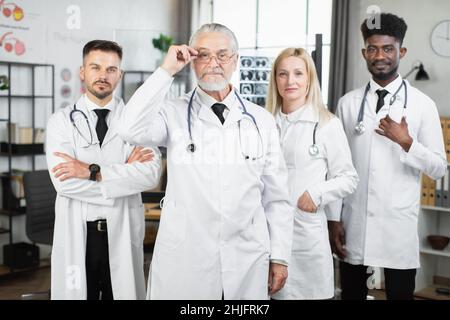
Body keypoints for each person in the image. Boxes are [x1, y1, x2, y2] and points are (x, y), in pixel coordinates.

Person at [118, 23, 293, 300]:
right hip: (187, 259)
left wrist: (280, 256)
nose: (213, 63)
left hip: (246, 257)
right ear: (190, 61)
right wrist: (166, 71)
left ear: (235, 60)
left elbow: (277, 197)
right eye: (203, 55)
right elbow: (128, 129)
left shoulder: (261, 121)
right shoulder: (171, 112)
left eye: (222, 55)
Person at [328, 13, 447, 300]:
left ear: (401, 52)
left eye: (388, 48)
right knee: (351, 295)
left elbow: (439, 168)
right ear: (364, 53)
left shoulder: (422, 105)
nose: (379, 55)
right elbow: (335, 167)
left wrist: (408, 143)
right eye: (372, 48)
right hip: (354, 221)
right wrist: (333, 219)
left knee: (400, 295)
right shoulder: (348, 104)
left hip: (397, 225)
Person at [46, 40, 162, 300]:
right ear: (82, 71)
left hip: (122, 233)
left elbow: (150, 174)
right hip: (80, 235)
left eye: (111, 69)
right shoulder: (61, 122)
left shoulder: (136, 121)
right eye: (95, 67)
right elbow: (64, 183)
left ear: (119, 74)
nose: (103, 75)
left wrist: (92, 171)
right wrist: (124, 174)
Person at [266, 48, 358, 299]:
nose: (290, 81)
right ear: (275, 79)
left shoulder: (327, 124)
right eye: (283, 74)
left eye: (298, 73)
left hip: (305, 234)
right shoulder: (263, 123)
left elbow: (349, 178)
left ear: (309, 79)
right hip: (266, 232)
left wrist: (316, 193)